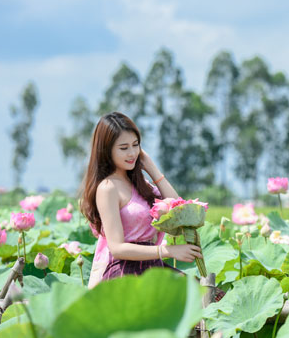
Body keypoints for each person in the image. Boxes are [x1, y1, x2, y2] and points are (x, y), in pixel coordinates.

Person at [80, 111, 203, 288]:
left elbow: (179, 209)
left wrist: (152, 169)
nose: (132, 153)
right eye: (124, 148)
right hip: (124, 272)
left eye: (135, 145)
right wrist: (169, 251)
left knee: (205, 298)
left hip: (153, 267)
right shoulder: (108, 188)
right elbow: (117, 248)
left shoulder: (140, 184)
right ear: (106, 151)